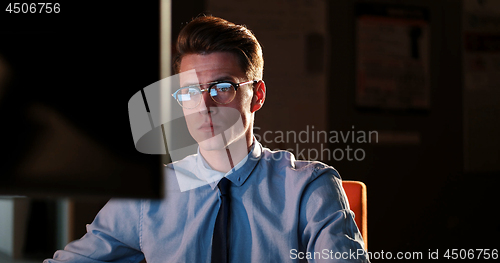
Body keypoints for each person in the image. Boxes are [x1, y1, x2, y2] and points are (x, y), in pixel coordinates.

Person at [44, 16, 369, 263]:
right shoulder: (147, 196)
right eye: (189, 92)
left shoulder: (308, 187)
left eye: (222, 87)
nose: (205, 106)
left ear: (256, 95)